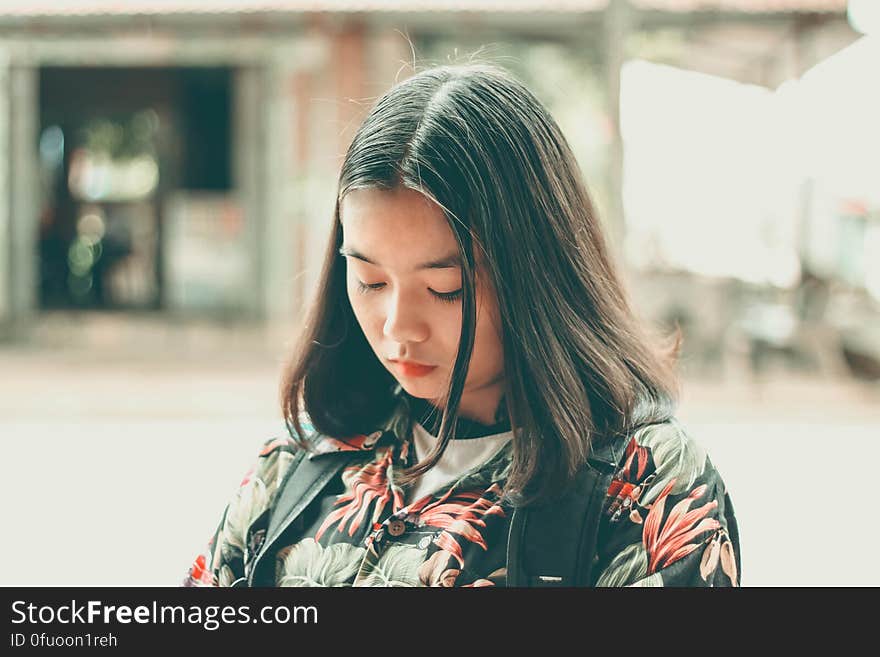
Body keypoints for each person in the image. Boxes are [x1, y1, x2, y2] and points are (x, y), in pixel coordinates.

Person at [184, 63, 740, 588]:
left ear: (540, 272)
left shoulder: (646, 487)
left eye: (446, 289)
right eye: (371, 282)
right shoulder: (299, 461)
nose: (399, 327)